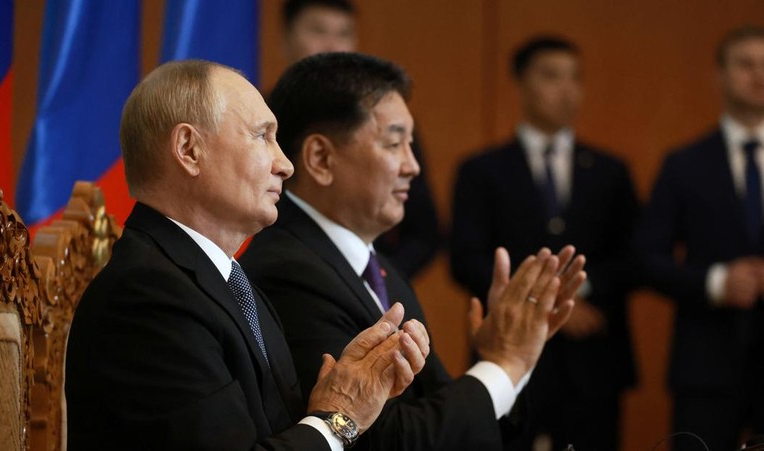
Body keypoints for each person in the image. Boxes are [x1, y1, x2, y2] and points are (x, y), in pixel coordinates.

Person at [64, 59, 433, 451]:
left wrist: (353, 395)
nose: (286, 165)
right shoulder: (146, 296)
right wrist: (339, 418)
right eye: (262, 136)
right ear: (189, 150)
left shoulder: (229, 281)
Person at [241, 51, 585, 450]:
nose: (413, 166)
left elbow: (442, 413)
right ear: (320, 158)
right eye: (394, 143)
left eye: (412, 144)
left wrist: (500, 360)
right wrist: (504, 365)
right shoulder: (287, 272)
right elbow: (383, 438)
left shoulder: (378, 265)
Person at [450, 37, 638, 451]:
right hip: (509, 355)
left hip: (594, 359)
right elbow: (465, 258)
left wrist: (575, 292)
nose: (567, 89)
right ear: (521, 83)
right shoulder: (482, 170)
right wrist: (541, 301)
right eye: (551, 76)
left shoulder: (611, 170)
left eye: (576, 77)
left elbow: (634, 257)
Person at [636, 25, 764, 451]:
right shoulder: (684, 164)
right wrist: (715, 282)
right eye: (746, 64)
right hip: (707, 363)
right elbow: (647, 257)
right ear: (720, 76)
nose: (758, 75)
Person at [279, 0, 441, 278]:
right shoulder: (261, 115)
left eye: (343, 34)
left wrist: (372, 277)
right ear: (286, 37)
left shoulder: (391, 122)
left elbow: (424, 231)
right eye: (318, 31)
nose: (332, 45)